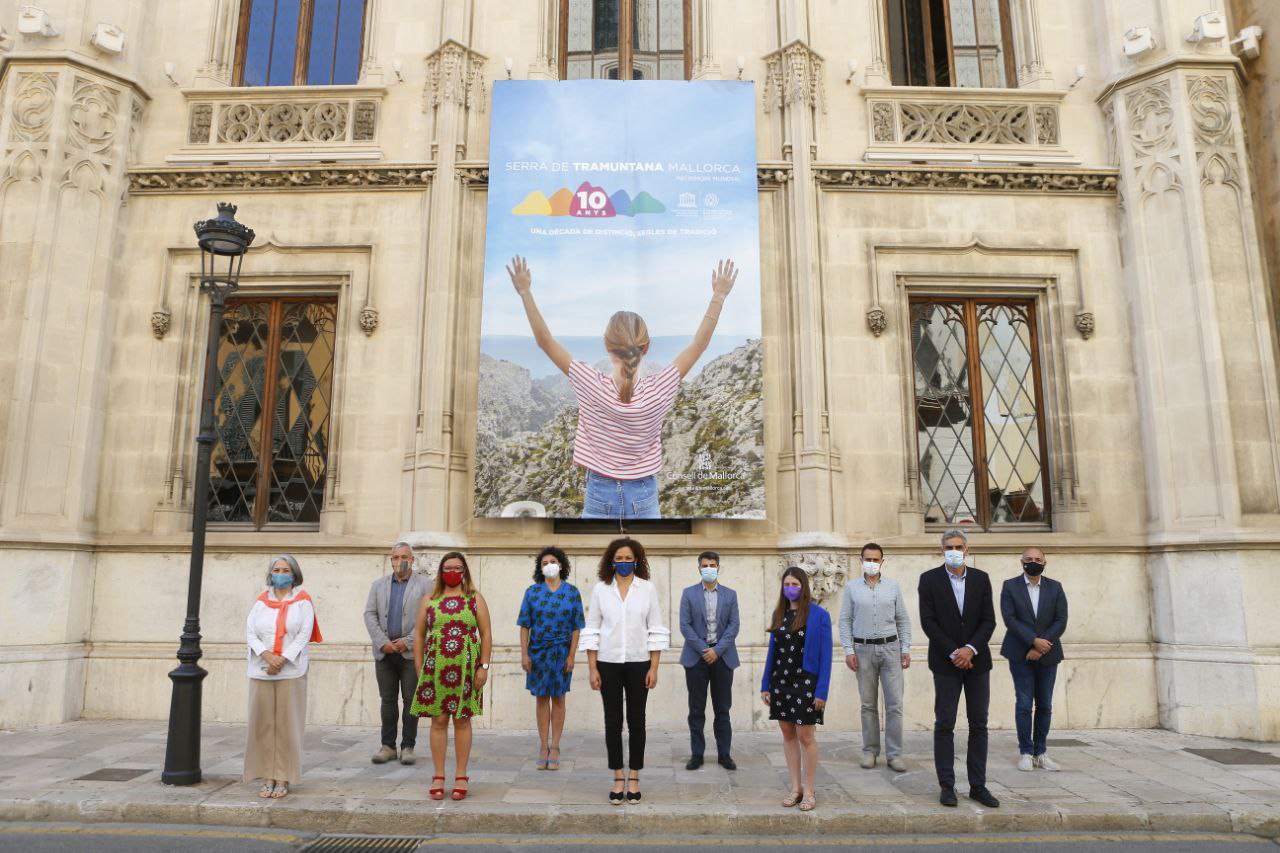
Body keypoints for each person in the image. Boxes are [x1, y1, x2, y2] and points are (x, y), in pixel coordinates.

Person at [506, 255, 740, 520]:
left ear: (606, 346)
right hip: (644, 494)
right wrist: (719, 295)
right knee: (647, 560)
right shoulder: (660, 388)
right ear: (646, 347)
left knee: (596, 560)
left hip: (599, 492)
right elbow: (699, 344)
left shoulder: (589, 382)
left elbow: (545, 341)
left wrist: (525, 291)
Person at [580, 537, 670, 804]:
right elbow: (592, 629)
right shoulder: (600, 590)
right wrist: (592, 668)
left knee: (637, 721)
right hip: (607, 663)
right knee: (612, 721)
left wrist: (654, 667)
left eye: (628, 558)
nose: (623, 562)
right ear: (611, 561)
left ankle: (634, 776)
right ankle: (618, 775)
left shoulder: (647, 589)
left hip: (639, 662)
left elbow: (655, 628)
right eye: (618, 558)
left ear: (637, 560)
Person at [918, 529, 999, 809]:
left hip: (977, 662)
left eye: (959, 546)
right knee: (945, 724)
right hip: (945, 662)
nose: (954, 550)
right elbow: (928, 622)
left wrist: (970, 649)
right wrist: (954, 651)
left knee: (979, 724)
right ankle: (947, 785)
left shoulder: (981, 579)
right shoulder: (929, 580)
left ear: (967, 549)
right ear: (942, 549)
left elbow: (989, 621)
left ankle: (978, 785)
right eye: (949, 546)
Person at [410, 552, 493, 802]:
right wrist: (419, 666)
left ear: (464, 571)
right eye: (448, 567)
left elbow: (486, 634)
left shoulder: (475, 599)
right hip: (435, 668)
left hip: (466, 668)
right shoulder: (429, 600)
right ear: (441, 571)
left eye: (458, 567)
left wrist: (484, 667)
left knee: (462, 720)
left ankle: (461, 775)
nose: (453, 571)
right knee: (438, 720)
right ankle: (438, 775)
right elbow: (419, 635)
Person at [243, 554, 323, 800]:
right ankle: (267, 775)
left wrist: (282, 659)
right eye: (276, 569)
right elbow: (250, 632)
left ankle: (283, 776)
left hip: (290, 670)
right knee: (263, 724)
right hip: (261, 669)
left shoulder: (302, 602)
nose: (280, 573)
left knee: (287, 726)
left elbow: (303, 635)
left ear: (294, 574)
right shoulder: (260, 602)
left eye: (285, 569)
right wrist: (267, 655)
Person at [760, 567, 832, 813]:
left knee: (806, 736)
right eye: (787, 583)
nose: (791, 588)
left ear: (803, 586)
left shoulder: (819, 615)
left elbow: (826, 657)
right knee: (788, 733)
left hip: (806, 684)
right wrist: (765, 684)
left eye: (795, 583)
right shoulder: (779, 614)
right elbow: (773, 653)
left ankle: (810, 791)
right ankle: (795, 788)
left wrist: (821, 691)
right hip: (781, 682)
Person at [838, 542, 912, 772]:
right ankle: (870, 751)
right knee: (868, 704)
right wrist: (849, 650)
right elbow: (845, 621)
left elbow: (903, 619)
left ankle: (895, 754)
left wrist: (906, 648)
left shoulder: (892, 587)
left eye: (875, 559)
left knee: (894, 705)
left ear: (882, 561)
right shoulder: (851, 588)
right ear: (861, 561)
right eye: (867, 559)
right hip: (863, 650)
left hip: (891, 648)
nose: (871, 563)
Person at [1000, 546, 1068, 772]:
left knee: (1045, 705)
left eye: (1038, 559)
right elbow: (1010, 619)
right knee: (1024, 703)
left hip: (1048, 654)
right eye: (1029, 559)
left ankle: (1041, 751)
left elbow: (1060, 620)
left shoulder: (1055, 587)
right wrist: (1032, 641)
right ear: (1022, 563)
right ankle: (1026, 752)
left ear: (1045, 563)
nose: (1033, 562)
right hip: (1020, 653)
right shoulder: (1010, 586)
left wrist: (1041, 645)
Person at [517, 545, 586, 771]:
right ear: (540, 568)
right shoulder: (532, 592)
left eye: (552, 561)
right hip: (538, 652)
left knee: (558, 698)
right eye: (544, 563)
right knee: (540, 698)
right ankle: (543, 745)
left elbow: (577, 627)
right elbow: (524, 625)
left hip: (561, 652)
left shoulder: (572, 592)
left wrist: (572, 655)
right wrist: (524, 654)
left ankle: (555, 745)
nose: (549, 566)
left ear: (562, 564)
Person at [364, 541, 431, 766]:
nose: (399, 561)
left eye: (404, 557)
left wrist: (407, 641)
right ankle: (388, 746)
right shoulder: (378, 585)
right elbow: (369, 614)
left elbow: (429, 618)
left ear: (412, 560)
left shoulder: (425, 586)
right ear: (390, 560)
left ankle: (408, 746)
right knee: (388, 700)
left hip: (410, 653)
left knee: (411, 700)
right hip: (384, 653)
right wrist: (383, 642)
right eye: (395, 557)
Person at [679, 550, 740, 771]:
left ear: (718, 568)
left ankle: (724, 754)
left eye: (712, 565)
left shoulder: (730, 595)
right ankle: (697, 754)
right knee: (696, 709)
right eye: (705, 565)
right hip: (696, 658)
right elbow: (684, 625)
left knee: (722, 708)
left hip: (723, 658)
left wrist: (717, 650)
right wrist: (705, 649)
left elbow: (734, 626)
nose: (709, 569)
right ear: (699, 568)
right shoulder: (688, 594)